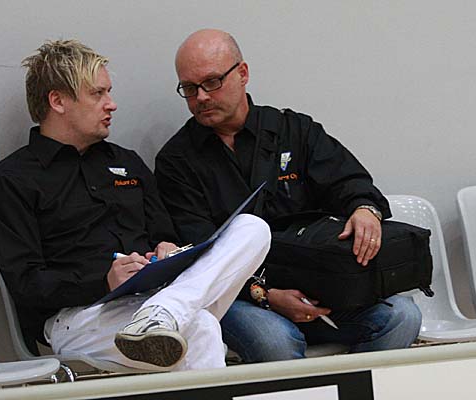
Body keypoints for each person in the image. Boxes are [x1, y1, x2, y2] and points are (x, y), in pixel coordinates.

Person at [0, 39, 270, 371]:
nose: (112, 104)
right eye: (97, 94)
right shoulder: (12, 180)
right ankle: (162, 315)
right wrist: (105, 281)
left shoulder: (127, 162)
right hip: (78, 318)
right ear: (57, 101)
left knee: (253, 227)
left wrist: (167, 249)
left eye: (109, 92)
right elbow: (26, 285)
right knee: (200, 328)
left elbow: (164, 235)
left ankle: (163, 312)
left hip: (157, 296)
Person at [155, 29, 422, 363]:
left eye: (212, 82)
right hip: (241, 296)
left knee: (403, 316)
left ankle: (347, 384)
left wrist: (365, 209)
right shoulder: (177, 161)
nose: (202, 97)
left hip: (319, 281)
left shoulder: (293, 131)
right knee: (275, 341)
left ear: (242, 73)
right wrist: (265, 295)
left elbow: (349, 182)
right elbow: (200, 254)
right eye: (190, 88)